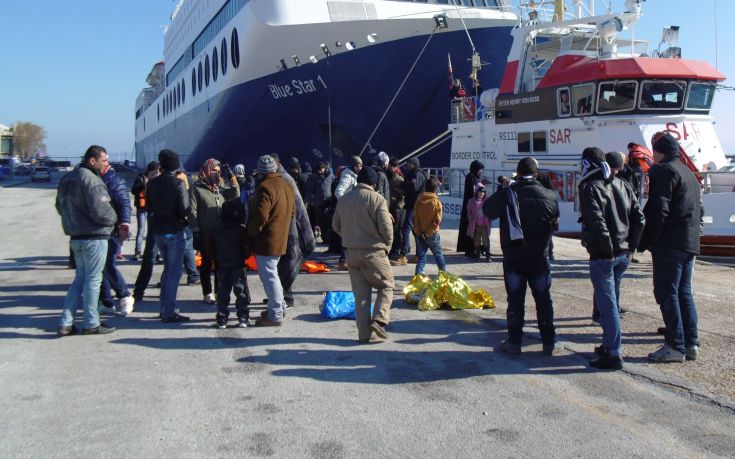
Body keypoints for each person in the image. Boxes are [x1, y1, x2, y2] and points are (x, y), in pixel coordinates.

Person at [482, 158, 561, 356]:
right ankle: (549, 342)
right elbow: (555, 223)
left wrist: (504, 189)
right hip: (539, 258)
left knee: (515, 301)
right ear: (536, 174)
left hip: (514, 257)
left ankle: (514, 342)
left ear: (517, 173)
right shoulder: (550, 195)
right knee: (544, 301)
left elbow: (487, 210)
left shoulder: (509, 193)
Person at [578, 147, 644, 370]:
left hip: (605, 255)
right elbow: (639, 218)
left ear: (587, 164)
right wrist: (632, 247)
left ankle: (614, 354)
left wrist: (605, 250)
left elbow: (597, 224)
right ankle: (607, 345)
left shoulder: (589, 188)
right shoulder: (623, 184)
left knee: (608, 307)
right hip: (623, 253)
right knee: (611, 302)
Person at [639, 132, 702, 363]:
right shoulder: (688, 173)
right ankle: (690, 342)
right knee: (684, 292)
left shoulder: (664, 171)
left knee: (667, 292)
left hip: (670, 242)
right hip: (689, 241)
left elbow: (658, 209)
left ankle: (674, 346)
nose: (652, 155)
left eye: (654, 150)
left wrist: (647, 240)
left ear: (660, 151)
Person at [56, 145, 118, 336]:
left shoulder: (67, 178)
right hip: (94, 236)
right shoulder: (92, 180)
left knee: (80, 279)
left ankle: (66, 321)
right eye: (104, 160)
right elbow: (102, 211)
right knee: (93, 279)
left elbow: (59, 206)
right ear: (93, 160)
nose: (106, 164)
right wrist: (113, 220)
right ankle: (91, 322)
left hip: (75, 237)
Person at [332, 166, 394, 343]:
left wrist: (350, 238)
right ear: (374, 183)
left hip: (352, 254)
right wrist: (386, 247)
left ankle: (364, 335)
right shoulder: (377, 199)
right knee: (387, 285)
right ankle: (380, 321)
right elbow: (387, 230)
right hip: (373, 252)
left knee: (361, 297)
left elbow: (335, 226)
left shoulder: (344, 200)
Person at [246, 155, 295, 326]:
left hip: (267, 240)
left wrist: (251, 232)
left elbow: (261, 216)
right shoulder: (287, 185)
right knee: (274, 274)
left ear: (260, 171)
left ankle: (274, 315)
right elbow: (293, 211)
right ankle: (279, 307)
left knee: (269, 276)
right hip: (282, 238)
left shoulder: (265, 187)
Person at [146, 149, 191, 323]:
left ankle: (164, 307)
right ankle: (169, 311)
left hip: (158, 231)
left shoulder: (152, 183)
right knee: (174, 272)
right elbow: (185, 208)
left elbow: (148, 206)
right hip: (175, 230)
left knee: (167, 269)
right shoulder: (178, 184)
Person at [270, 153, 316, 310]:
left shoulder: (285, 179)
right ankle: (278, 294)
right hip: (281, 227)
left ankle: (287, 297)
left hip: (290, 227)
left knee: (287, 261)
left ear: (277, 164)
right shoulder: (276, 178)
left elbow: (297, 204)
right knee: (279, 263)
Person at [191, 158, 239, 304]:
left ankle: (219, 292)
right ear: (206, 170)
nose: (217, 174)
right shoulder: (197, 189)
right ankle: (207, 292)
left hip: (221, 234)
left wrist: (233, 177)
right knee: (206, 264)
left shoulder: (221, 188)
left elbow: (235, 194)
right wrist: (195, 231)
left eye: (219, 171)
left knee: (220, 265)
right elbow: (192, 211)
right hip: (206, 233)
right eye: (214, 170)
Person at [99, 163, 135, 316]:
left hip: (111, 230)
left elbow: (124, 204)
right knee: (101, 267)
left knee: (107, 265)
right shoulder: (96, 180)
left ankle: (124, 295)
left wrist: (124, 225)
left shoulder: (114, 181)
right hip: (97, 229)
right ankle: (106, 301)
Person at [209, 199, 251, 328]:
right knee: (241, 293)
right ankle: (243, 318)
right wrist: (244, 257)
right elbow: (247, 247)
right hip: (237, 264)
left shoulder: (216, 228)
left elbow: (210, 247)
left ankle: (222, 319)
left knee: (222, 293)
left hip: (222, 264)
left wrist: (215, 258)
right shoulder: (240, 229)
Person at [412, 177, 447, 275]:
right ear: (436, 189)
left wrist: (418, 231)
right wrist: (428, 232)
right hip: (432, 234)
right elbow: (437, 220)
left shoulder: (419, 201)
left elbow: (415, 218)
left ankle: (417, 278)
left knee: (421, 257)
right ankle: (443, 277)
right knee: (438, 255)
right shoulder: (436, 202)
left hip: (420, 234)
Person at [334, 156, 363, 270]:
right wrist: (345, 203)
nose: (359, 168)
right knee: (348, 235)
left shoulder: (354, 175)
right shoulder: (347, 176)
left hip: (353, 209)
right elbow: (338, 191)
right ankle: (343, 261)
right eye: (357, 166)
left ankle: (348, 260)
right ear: (352, 165)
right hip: (348, 210)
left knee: (352, 235)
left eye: (361, 166)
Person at [400, 157, 427, 263]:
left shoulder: (416, 174)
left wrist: (401, 184)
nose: (407, 165)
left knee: (406, 229)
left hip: (414, 206)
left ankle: (403, 255)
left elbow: (413, 187)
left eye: (409, 163)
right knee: (416, 231)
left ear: (414, 164)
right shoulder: (416, 173)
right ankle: (418, 255)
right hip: (415, 205)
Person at [130, 161, 159, 260]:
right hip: (142, 207)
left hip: (152, 207)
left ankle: (154, 252)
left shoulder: (156, 179)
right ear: (152, 170)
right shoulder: (141, 178)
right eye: (156, 170)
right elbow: (133, 191)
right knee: (141, 230)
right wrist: (143, 187)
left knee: (153, 231)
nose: (157, 172)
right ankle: (137, 252)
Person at [457, 160, 484, 256]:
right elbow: (473, 191)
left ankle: (474, 248)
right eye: (480, 169)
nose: (481, 171)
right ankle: (470, 250)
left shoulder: (476, 177)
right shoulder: (471, 177)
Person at [304, 161, 334, 243]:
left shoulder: (330, 176)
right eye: (319, 169)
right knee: (321, 222)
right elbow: (309, 191)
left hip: (328, 202)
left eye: (322, 169)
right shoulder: (313, 177)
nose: (320, 171)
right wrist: (306, 202)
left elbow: (334, 185)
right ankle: (325, 239)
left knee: (330, 222)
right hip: (318, 203)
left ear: (325, 168)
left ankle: (329, 239)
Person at [466, 184, 491, 262]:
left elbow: (490, 212)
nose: (482, 194)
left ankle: (487, 256)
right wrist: (471, 218)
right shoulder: (471, 201)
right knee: (476, 241)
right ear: (476, 192)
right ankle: (478, 256)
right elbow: (468, 212)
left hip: (484, 225)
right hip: (475, 226)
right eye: (480, 192)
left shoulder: (486, 201)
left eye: (483, 192)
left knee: (486, 241)